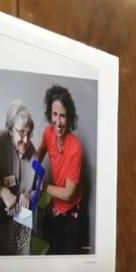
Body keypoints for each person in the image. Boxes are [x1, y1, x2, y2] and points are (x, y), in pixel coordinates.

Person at [0, 100, 37, 255]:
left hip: (23, 218)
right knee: (2, 259)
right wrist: (1, 191)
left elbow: (39, 188)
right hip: (0, 215)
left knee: (22, 256)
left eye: (29, 133)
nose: (26, 139)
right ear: (10, 130)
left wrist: (29, 195)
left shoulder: (34, 155)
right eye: (22, 132)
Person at [36, 85, 84, 255]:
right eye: (54, 114)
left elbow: (69, 194)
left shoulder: (76, 148)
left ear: (69, 118)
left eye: (62, 116)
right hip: (55, 210)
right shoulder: (47, 133)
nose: (58, 121)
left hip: (72, 214)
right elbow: (37, 157)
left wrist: (42, 186)